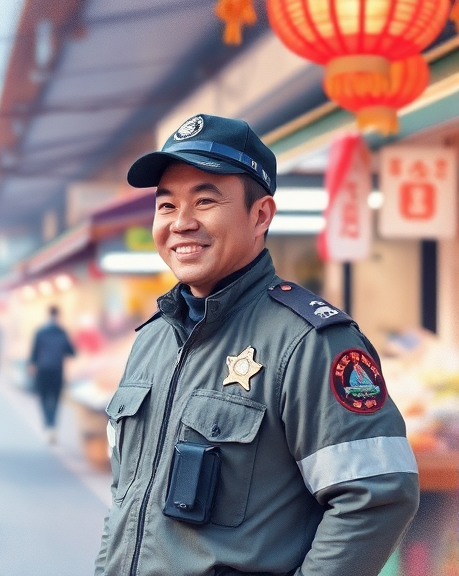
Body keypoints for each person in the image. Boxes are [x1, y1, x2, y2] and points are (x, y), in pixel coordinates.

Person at [95, 114, 418, 576]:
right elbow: (125, 499)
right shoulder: (151, 341)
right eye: (166, 205)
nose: (181, 223)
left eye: (205, 201)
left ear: (260, 215)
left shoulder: (309, 342)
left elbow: (376, 497)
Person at [28, 305, 75, 444]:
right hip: (57, 370)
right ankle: (52, 426)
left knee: (43, 398)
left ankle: (48, 425)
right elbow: (71, 351)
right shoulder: (62, 332)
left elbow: (34, 351)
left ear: (48, 315)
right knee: (55, 399)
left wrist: (32, 364)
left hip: (42, 370)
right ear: (58, 316)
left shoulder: (40, 331)